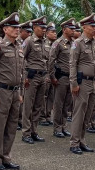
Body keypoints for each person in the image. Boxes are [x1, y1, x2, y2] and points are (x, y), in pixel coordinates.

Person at [0, 12, 24, 170]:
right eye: (13, 27)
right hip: (2, 91)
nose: (17, 30)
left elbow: (21, 71)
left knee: (11, 125)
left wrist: (20, 92)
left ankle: (6, 156)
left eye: (18, 27)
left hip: (15, 92)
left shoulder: (19, 47)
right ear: (5, 29)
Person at [68, 14, 95, 155]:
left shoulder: (94, 43)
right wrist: (74, 84)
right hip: (82, 83)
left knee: (88, 115)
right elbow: (72, 64)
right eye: (92, 26)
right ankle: (74, 143)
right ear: (84, 27)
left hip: (92, 83)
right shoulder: (78, 43)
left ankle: (82, 140)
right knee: (79, 114)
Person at [20, 16, 49, 144]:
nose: (44, 30)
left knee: (38, 105)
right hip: (31, 77)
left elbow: (47, 60)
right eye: (41, 28)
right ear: (34, 28)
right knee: (28, 105)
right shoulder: (29, 41)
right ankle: (26, 132)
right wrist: (25, 77)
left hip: (42, 76)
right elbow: (21, 59)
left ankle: (34, 131)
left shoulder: (45, 42)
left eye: (45, 28)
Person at [47, 18, 77, 138]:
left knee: (67, 104)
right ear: (64, 30)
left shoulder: (74, 43)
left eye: (74, 28)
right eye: (71, 28)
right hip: (61, 77)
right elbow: (51, 60)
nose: (73, 30)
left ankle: (63, 126)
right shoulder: (58, 43)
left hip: (71, 78)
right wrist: (52, 76)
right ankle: (57, 128)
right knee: (59, 104)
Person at [40, 22, 58, 127]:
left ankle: (47, 115)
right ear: (47, 33)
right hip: (45, 73)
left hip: (53, 73)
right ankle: (42, 116)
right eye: (52, 32)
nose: (55, 34)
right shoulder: (43, 43)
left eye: (55, 32)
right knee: (44, 96)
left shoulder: (55, 44)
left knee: (51, 96)